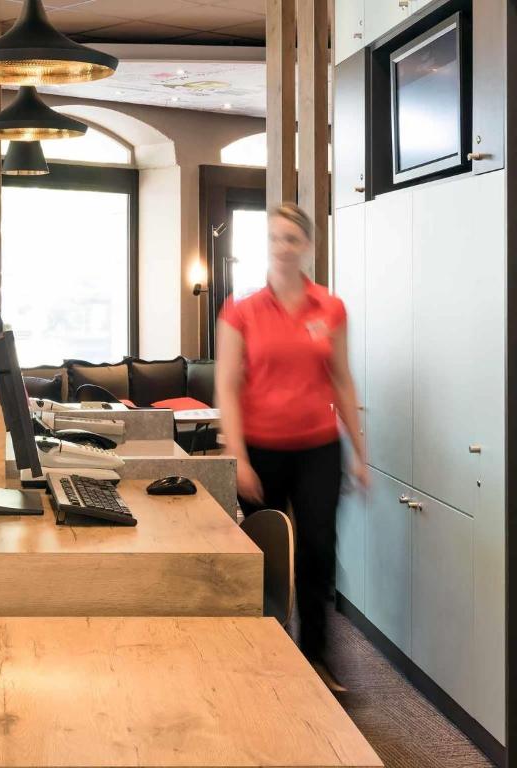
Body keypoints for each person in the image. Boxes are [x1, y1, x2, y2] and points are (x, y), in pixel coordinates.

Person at [215, 202, 366, 690]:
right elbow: (227, 388)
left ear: (307, 247)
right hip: (261, 450)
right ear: (267, 245)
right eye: (275, 239)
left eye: (292, 239)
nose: (283, 247)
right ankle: (267, 657)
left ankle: (317, 658)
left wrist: (361, 453)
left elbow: (342, 379)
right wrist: (237, 456)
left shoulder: (330, 307)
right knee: (267, 553)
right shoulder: (242, 310)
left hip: (319, 447)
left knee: (320, 550)